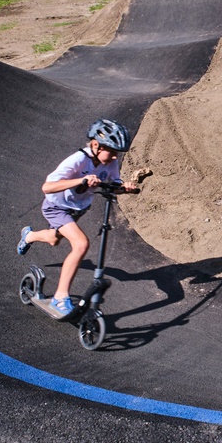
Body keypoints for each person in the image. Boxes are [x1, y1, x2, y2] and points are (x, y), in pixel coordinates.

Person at [17, 119, 139, 316]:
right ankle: (60, 298)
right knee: (81, 244)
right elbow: (47, 187)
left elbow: (114, 183)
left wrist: (125, 187)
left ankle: (28, 236)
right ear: (96, 145)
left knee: (53, 239)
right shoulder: (77, 160)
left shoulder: (111, 162)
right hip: (56, 207)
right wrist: (81, 180)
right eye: (112, 150)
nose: (116, 156)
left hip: (77, 209)